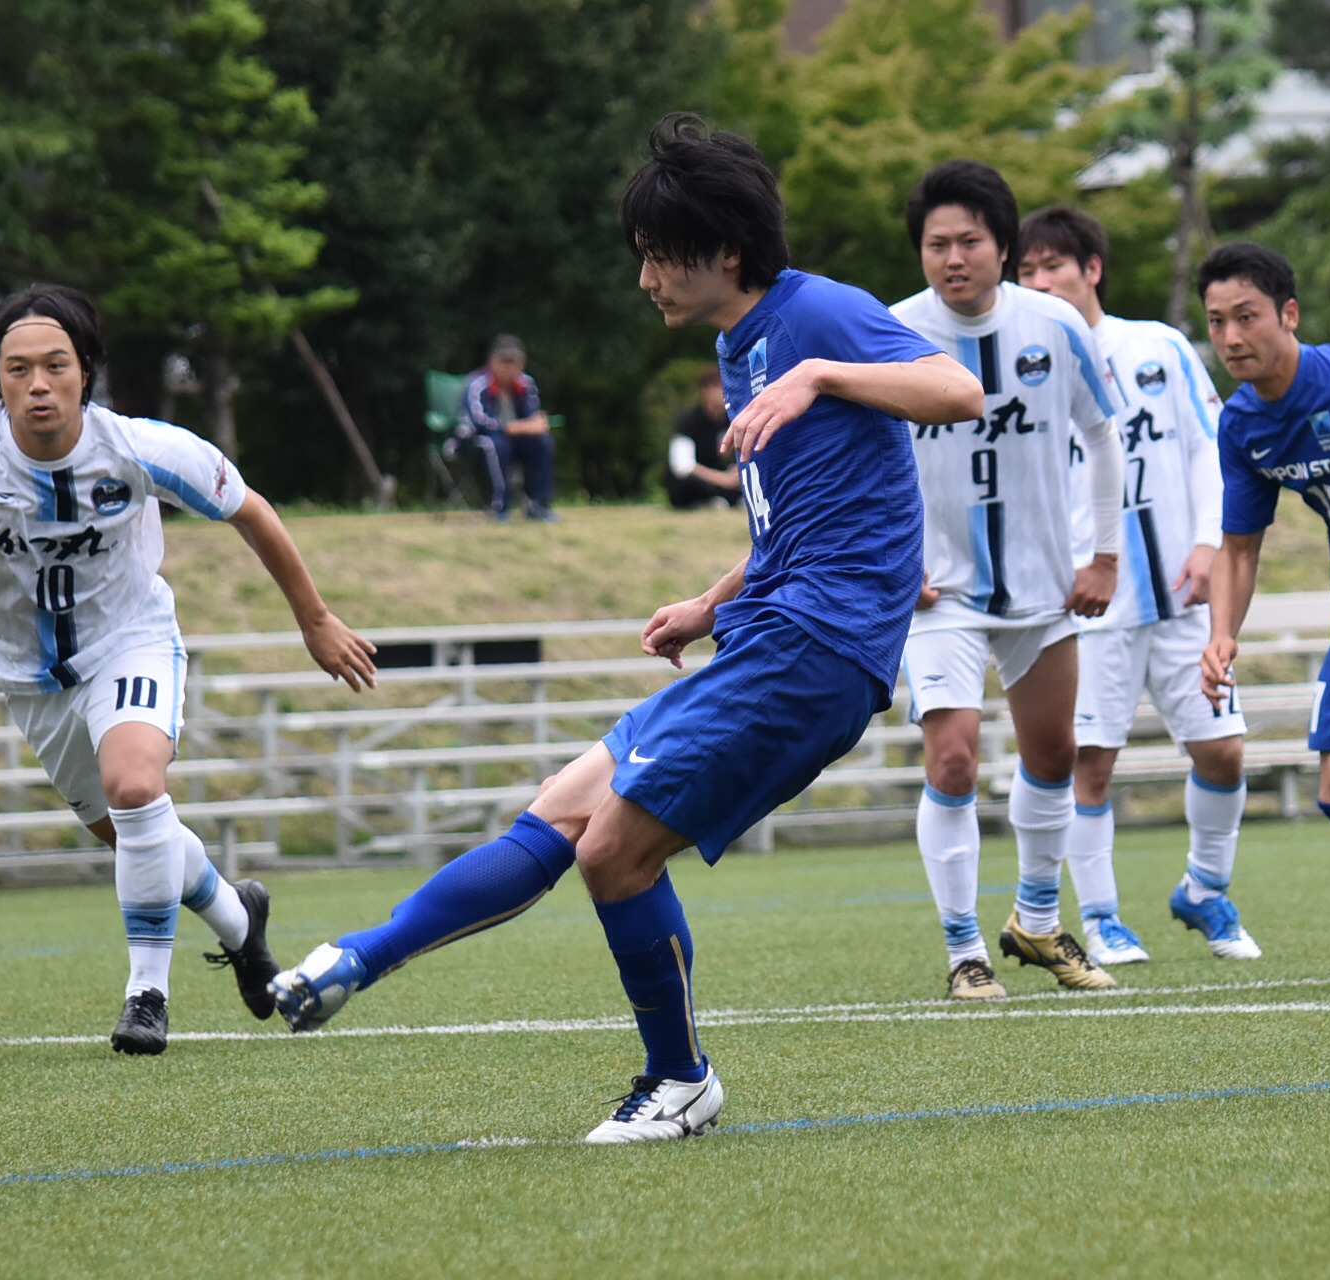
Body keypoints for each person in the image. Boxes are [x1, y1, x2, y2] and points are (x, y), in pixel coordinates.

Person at [267, 115, 983, 1143]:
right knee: (563, 809)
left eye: (659, 254)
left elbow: (957, 388)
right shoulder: (746, 344)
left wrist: (821, 374)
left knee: (614, 852)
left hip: (818, 653)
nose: (645, 277)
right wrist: (712, 598)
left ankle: (679, 1077)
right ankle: (357, 957)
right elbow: (809, 511)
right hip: (774, 631)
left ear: (725, 250)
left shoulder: (816, 313)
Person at [0, 284, 378, 1055]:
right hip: (29, 678)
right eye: (15, 369)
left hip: (132, 641)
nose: (37, 384)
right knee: (131, 833)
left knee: (135, 786)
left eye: (55, 365)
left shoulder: (141, 447)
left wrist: (315, 620)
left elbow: (250, 511)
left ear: (85, 370)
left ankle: (146, 994)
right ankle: (239, 920)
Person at [890, 161, 1125, 999]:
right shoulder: (891, 332)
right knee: (952, 760)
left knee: (1054, 753)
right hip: (937, 593)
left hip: (1040, 586)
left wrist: (1103, 555)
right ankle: (962, 950)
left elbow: (1104, 434)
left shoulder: (1056, 326)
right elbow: (861, 457)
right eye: (935, 244)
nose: (953, 257)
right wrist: (892, 553)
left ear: (1003, 245)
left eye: (970, 241)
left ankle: (1034, 919)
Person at [1018, 206, 1257, 963]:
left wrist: (1206, 545)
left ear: (1092, 268)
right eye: (1025, 271)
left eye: (1052, 264)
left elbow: (1206, 447)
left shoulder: (1158, 345)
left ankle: (1205, 889)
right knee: (1091, 764)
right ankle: (1101, 920)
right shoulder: (1028, 364)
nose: (1038, 280)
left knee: (1224, 752)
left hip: (1184, 600)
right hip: (1092, 611)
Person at [1198, 243, 1330, 903]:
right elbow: (1240, 547)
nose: (1232, 337)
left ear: (1289, 314)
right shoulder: (1241, 426)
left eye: (1247, 316)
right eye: (1217, 322)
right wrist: (1221, 636)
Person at [462, 335, 556, 521]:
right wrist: (516, 427)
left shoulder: (526, 384)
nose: (509, 367)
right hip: (477, 440)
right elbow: (480, 422)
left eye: (514, 361)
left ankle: (539, 505)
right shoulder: (477, 384)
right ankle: (499, 507)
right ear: (492, 361)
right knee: (496, 445)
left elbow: (533, 418)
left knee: (543, 442)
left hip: (516, 440)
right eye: (504, 361)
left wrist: (537, 424)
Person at [666, 365, 743, 509]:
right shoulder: (688, 422)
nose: (722, 392)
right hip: (701, 480)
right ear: (705, 391)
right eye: (717, 387)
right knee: (686, 484)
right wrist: (722, 479)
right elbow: (682, 466)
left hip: (725, 478)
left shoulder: (732, 419)